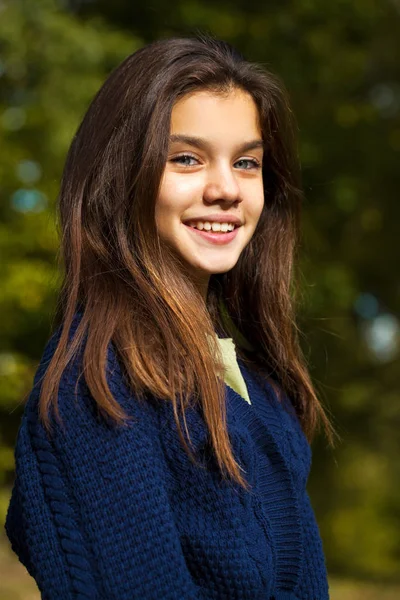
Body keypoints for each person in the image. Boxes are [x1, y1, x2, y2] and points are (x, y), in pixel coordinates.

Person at [5, 34, 335, 599]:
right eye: (186, 158)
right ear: (121, 176)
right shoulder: (101, 387)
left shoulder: (259, 388)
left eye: (247, 162)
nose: (226, 188)